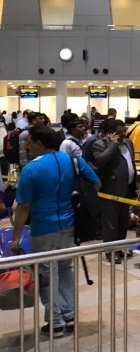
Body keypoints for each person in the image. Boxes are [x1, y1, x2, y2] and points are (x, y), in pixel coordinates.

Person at [11, 126, 100, 337]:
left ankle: (55, 322)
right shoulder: (72, 160)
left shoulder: (31, 169)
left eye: (30, 143)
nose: (28, 147)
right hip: (69, 226)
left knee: (46, 275)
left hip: (43, 229)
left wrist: (15, 237)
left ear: (39, 143)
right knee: (65, 270)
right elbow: (96, 184)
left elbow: (23, 207)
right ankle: (69, 315)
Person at [93, 119, 137, 262]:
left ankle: (120, 248)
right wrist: (113, 144)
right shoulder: (100, 144)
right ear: (111, 133)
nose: (123, 134)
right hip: (110, 190)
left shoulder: (128, 142)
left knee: (123, 222)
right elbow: (100, 160)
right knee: (111, 224)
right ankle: (111, 252)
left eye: (124, 131)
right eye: (119, 132)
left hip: (127, 189)